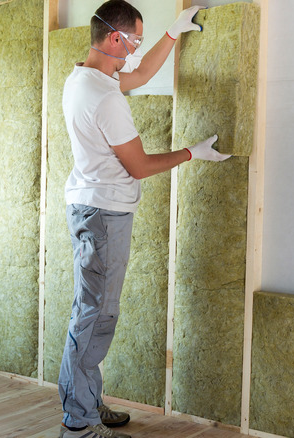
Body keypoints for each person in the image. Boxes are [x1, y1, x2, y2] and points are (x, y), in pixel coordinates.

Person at [57, 2, 231, 437]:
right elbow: (138, 166)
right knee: (93, 315)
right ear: (115, 39)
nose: (136, 49)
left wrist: (173, 32)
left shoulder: (87, 77)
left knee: (98, 313)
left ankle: (89, 405)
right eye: (134, 40)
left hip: (95, 206)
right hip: (103, 214)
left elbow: (141, 75)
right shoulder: (104, 98)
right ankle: (78, 423)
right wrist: (193, 152)